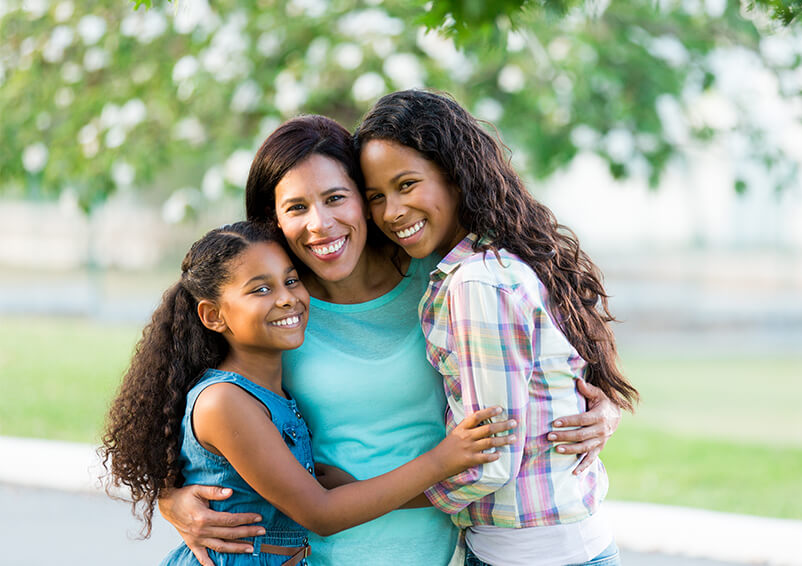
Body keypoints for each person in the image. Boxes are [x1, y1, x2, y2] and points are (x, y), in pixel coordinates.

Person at [158, 116, 624, 566]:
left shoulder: (439, 275)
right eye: (297, 207)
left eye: (336, 197)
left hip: (452, 550)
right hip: (328, 553)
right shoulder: (276, 312)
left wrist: (601, 406)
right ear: (272, 220)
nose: (320, 224)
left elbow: (548, 345)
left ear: (363, 199)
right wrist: (169, 495)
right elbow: (190, 407)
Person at [100, 221, 517, 566]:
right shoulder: (225, 402)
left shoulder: (271, 391)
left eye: (291, 280)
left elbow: (322, 497)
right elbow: (319, 513)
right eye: (260, 289)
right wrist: (443, 460)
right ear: (213, 315)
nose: (287, 299)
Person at [354, 89, 640, 566]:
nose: (391, 212)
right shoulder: (502, 260)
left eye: (406, 185)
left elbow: (490, 461)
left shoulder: (476, 282)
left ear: (454, 175)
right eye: (377, 197)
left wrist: (368, 499)